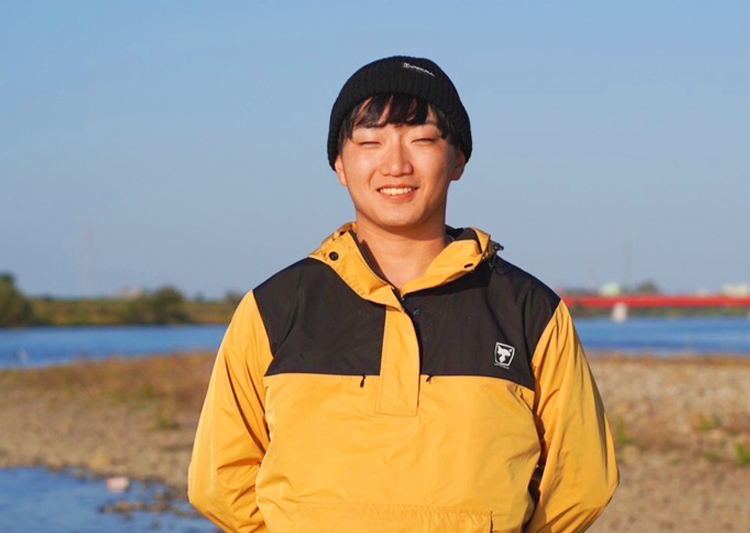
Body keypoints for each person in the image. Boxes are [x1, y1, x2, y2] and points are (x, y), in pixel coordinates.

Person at [188, 55, 618, 533]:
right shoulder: (275, 308)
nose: (395, 165)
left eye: (422, 140)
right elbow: (219, 481)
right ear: (339, 164)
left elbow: (582, 482)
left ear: (458, 160)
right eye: (370, 142)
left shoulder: (529, 311)